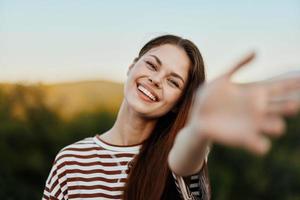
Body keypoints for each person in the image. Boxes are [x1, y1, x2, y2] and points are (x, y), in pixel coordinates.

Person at [42, 34, 300, 200]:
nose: (155, 80)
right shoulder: (70, 160)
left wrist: (199, 128)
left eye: (173, 82)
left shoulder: (181, 153)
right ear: (132, 66)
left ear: (179, 103)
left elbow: (185, 161)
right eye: (152, 65)